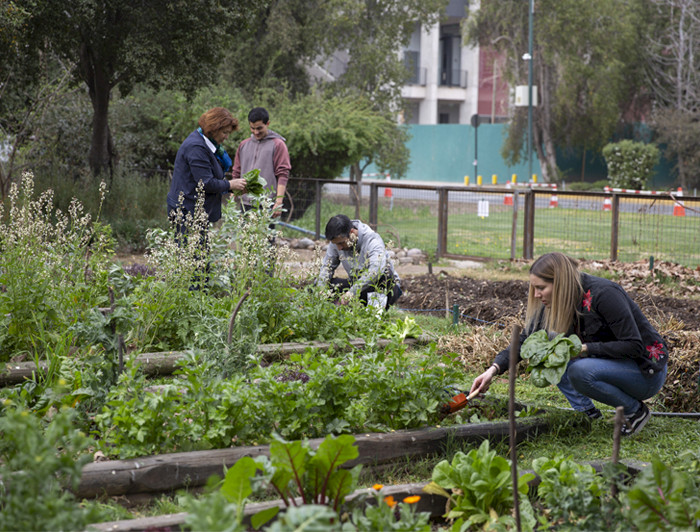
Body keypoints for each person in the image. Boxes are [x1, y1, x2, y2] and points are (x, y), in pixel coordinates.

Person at [469, 252, 669, 436]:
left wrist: (584, 349)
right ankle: (586, 414)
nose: (536, 295)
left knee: (578, 368)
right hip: (612, 367)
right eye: (534, 288)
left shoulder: (604, 294)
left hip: (645, 373)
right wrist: (493, 370)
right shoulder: (555, 302)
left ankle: (635, 411)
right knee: (553, 350)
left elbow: (634, 346)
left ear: (560, 283)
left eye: (541, 288)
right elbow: (527, 342)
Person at [167, 107, 246, 226]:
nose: (227, 137)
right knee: (188, 244)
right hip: (186, 211)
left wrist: (231, 188)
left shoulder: (207, 145)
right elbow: (206, 183)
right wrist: (231, 184)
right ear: (213, 129)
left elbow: (207, 176)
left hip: (197, 210)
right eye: (225, 132)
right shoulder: (196, 148)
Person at [317, 214, 402, 310]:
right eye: (335, 244)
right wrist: (321, 289)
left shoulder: (372, 240)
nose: (339, 248)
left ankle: (375, 315)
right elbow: (326, 267)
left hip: (382, 287)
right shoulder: (338, 241)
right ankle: (332, 313)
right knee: (322, 284)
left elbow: (375, 271)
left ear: (352, 232)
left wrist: (352, 292)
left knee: (384, 276)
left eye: (341, 243)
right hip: (358, 285)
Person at [231, 107, 291, 218]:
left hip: (266, 204)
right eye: (252, 128)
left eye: (259, 128)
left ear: (267, 123)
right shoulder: (243, 145)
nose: (256, 132)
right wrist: (232, 196)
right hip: (245, 203)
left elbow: (283, 174)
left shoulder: (278, 145)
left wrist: (278, 202)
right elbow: (236, 172)